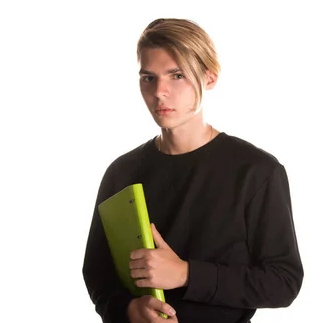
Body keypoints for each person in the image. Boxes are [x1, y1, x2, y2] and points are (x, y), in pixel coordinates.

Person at [82, 18, 303, 323]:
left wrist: (186, 274)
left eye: (177, 75)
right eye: (148, 77)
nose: (160, 91)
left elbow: (284, 283)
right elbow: (96, 272)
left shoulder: (256, 171)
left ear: (209, 78)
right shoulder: (121, 172)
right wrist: (128, 310)